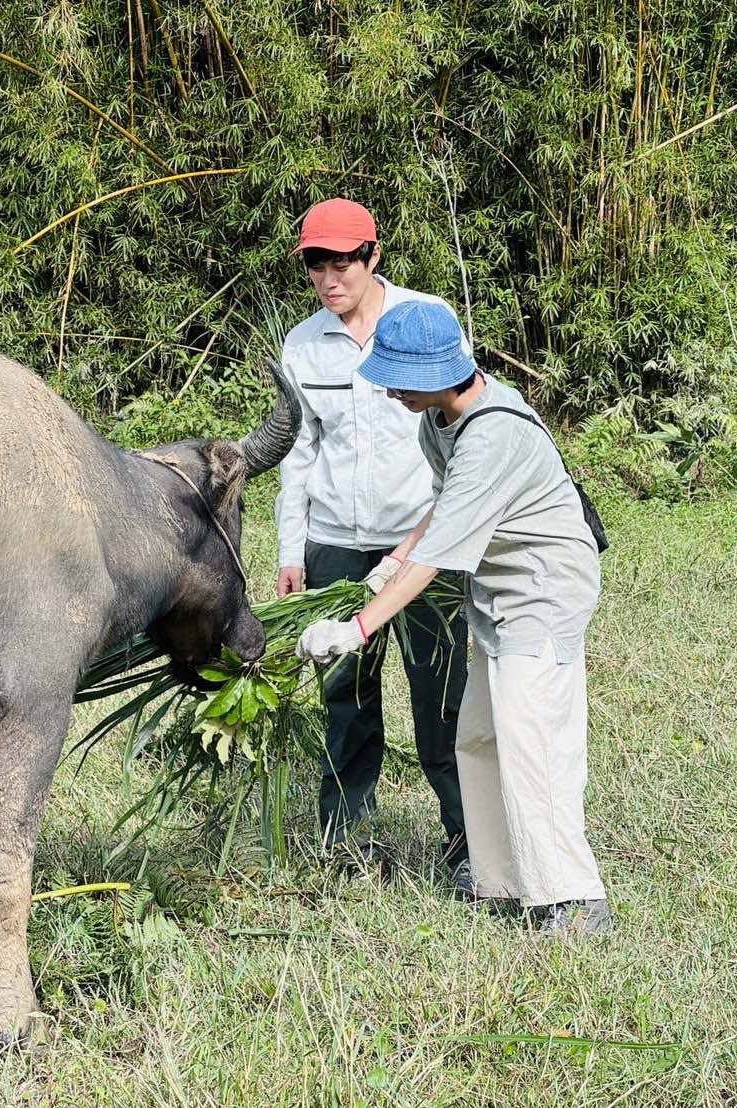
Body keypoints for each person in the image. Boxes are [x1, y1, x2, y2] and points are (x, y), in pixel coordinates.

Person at [295, 300, 610, 935]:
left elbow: (438, 558)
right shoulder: (438, 419)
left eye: (399, 377)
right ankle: (499, 880)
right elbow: (442, 509)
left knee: (534, 742)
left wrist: (355, 628)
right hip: (497, 586)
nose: (388, 390)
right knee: (478, 736)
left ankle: (573, 898)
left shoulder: (494, 432)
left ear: (441, 370)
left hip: (542, 590)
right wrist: (386, 564)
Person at [274, 197, 470, 884]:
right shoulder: (302, 344)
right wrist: (291, 553)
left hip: (422, 545)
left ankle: (466, 843)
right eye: (315, 266)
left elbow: (460, 421)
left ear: (372, 256)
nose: (330, 280)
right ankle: (342, 843)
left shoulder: (424, 319)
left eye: (343, 262)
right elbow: (297, 454)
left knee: (440, 698)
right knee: (344, 701)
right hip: (334, 541)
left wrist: (436, 532)